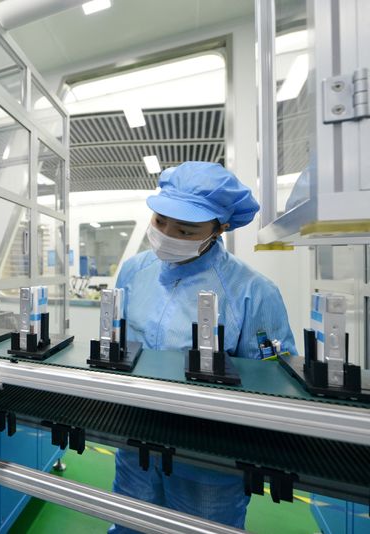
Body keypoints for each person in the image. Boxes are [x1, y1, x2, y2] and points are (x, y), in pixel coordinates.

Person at [110, 162, 297, 532]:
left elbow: (275, 382)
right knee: (129, 523)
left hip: (209, 457)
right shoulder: (134, 271)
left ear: (220, 228)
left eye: (185, 229)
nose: (166, 234)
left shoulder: (253, 292)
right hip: (136, 439)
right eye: (160, 220)